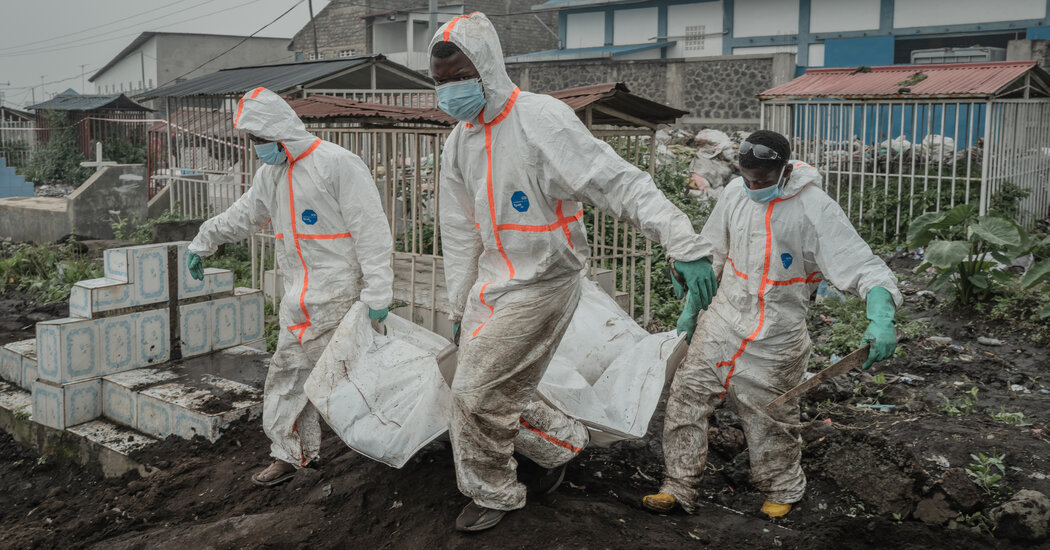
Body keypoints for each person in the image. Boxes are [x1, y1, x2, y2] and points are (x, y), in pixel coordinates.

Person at [429, 13, 718, 532]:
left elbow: (619, 183)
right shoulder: (459, 143)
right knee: (480, 389)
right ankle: (562, 442)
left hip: (544, 281)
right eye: (441, 83)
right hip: (493, 282)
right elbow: (458, 230)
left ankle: (495, 491)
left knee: (475, 396)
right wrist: (458, 303)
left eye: (459, 78)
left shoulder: (540, 120)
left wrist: (682, 241)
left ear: (488, 68)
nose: (450, 92)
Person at [642, 130, 901, 518]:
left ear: (783, 171)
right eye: (747, 178)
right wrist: (692, 311)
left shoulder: (814, 208)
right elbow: (710, 254)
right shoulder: (734, 194)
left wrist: (881, 317)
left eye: (761, 181)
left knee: (771, 416)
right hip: (724, 319)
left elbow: (862, 266)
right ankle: (679, 486)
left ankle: (783, 488)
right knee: (686, 396)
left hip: (777, 334)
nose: (753, 187)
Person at [185, 87, 394, 487]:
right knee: (287, 376)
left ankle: (404, 441)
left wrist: (378, 294)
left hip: (340, 298)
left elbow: (372, 231)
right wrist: (205, 238)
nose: (258, 148)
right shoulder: (272, 174)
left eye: (261, 140)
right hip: (298, 300)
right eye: (254, 142)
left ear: (281, 131)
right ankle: (291, 454)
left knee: (359, 380)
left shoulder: (337, 164)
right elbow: (244, 214)